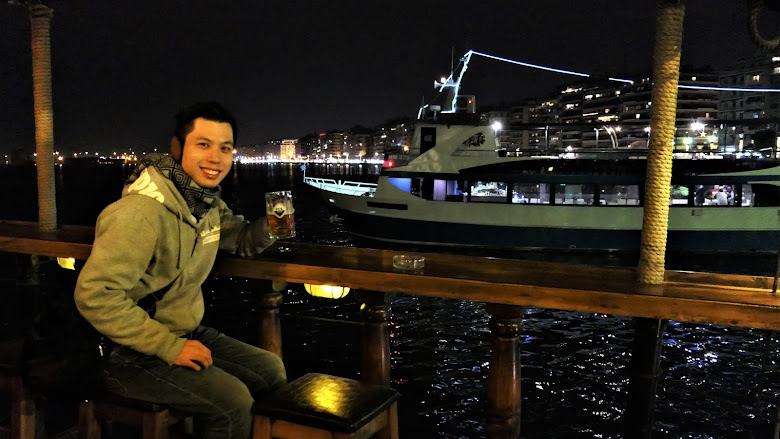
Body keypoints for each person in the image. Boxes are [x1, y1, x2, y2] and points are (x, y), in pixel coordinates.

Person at [74, 102, 286, 439]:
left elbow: (242, 240)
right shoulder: (140, 212)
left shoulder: (205, 204)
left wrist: (275, 223)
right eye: (203, 144)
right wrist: (170, 347)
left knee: (269, 370)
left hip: (183, 332)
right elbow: (95, 295)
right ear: (177, 147)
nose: (216, 158)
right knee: (233, 402)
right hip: (125, 354)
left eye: (225, 148)